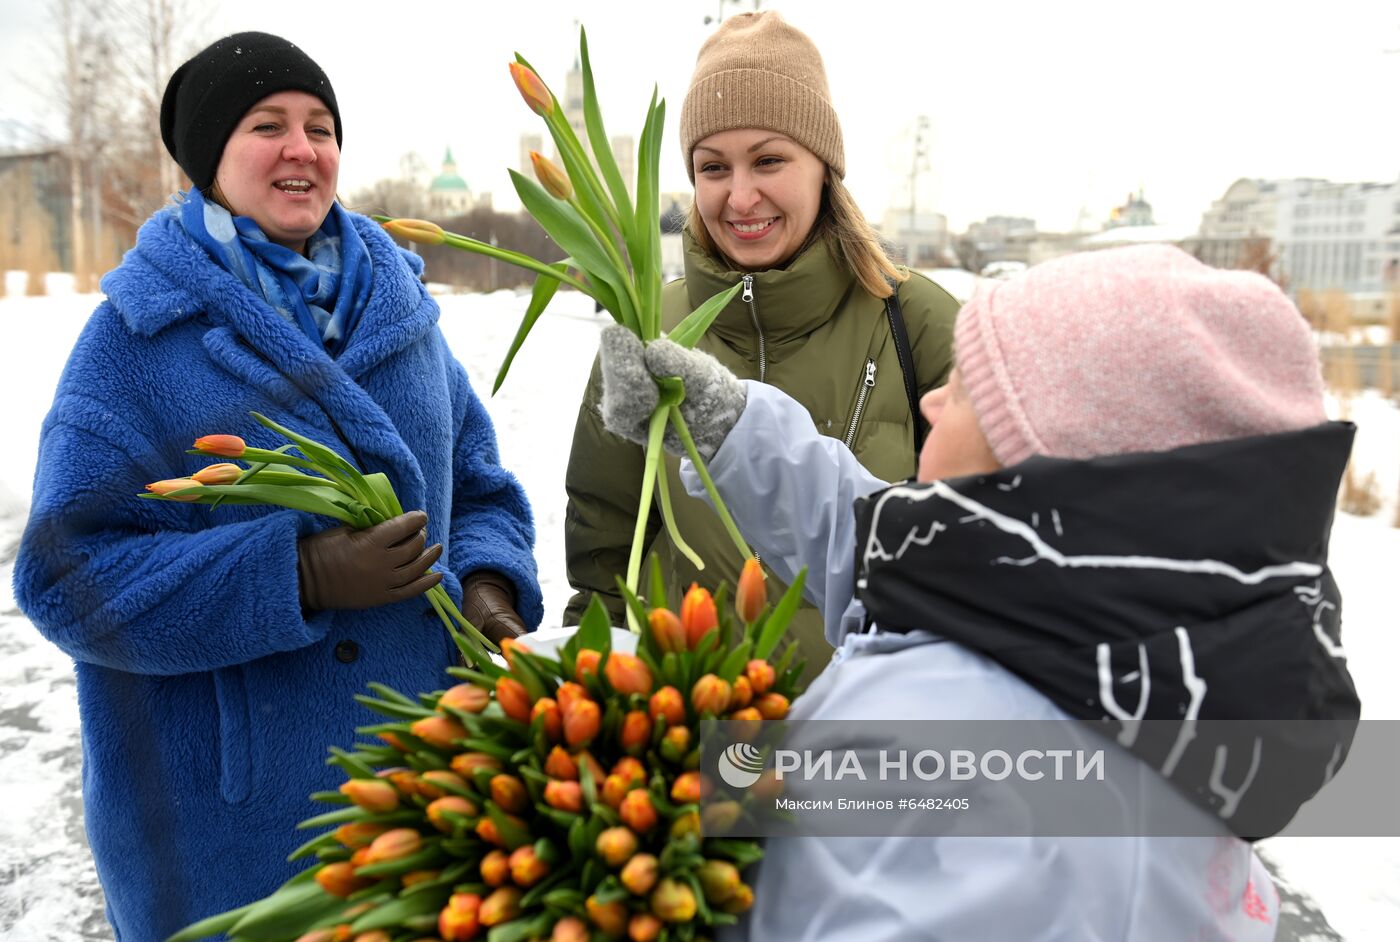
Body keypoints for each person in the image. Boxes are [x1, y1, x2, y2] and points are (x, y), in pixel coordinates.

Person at [599, 244, 1360, 940]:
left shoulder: (974, 781)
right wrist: (727, 425)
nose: (931, 403)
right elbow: (877, 550)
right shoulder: (1108, 632)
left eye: (965, 392)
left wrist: (636, 821)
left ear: (1037, 466)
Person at [13, 32, 541, 939]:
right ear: (212, 159)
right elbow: (67, 579)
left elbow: (481, 487)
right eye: (268, 125)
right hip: (237, 829)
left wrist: (488, 592)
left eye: (321, 126)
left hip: (430, 787)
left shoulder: (401, 315)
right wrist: (295, 575)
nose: (303, 148)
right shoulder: (134, 342)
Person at [563, 10, 959, 680]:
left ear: (823, 165)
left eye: (769, 160)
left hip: (862, 742)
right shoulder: (648, 325)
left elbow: (986, 551)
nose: (740, 196)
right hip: (680, 727)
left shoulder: (917, 320)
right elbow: (605, 543)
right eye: (713, 167)